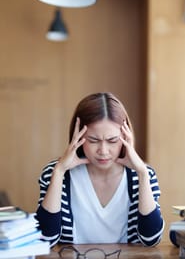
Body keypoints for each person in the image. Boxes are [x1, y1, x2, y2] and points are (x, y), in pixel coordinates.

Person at [35, 92, 164, 247]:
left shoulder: (142, 174)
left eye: (112, 140)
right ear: (77, 137)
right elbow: (45, 239)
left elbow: (151, 240)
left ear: (126, 137)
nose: (103, 151)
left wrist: (143, 174)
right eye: (93, 140)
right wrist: (59, 172)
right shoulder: (56, 172)